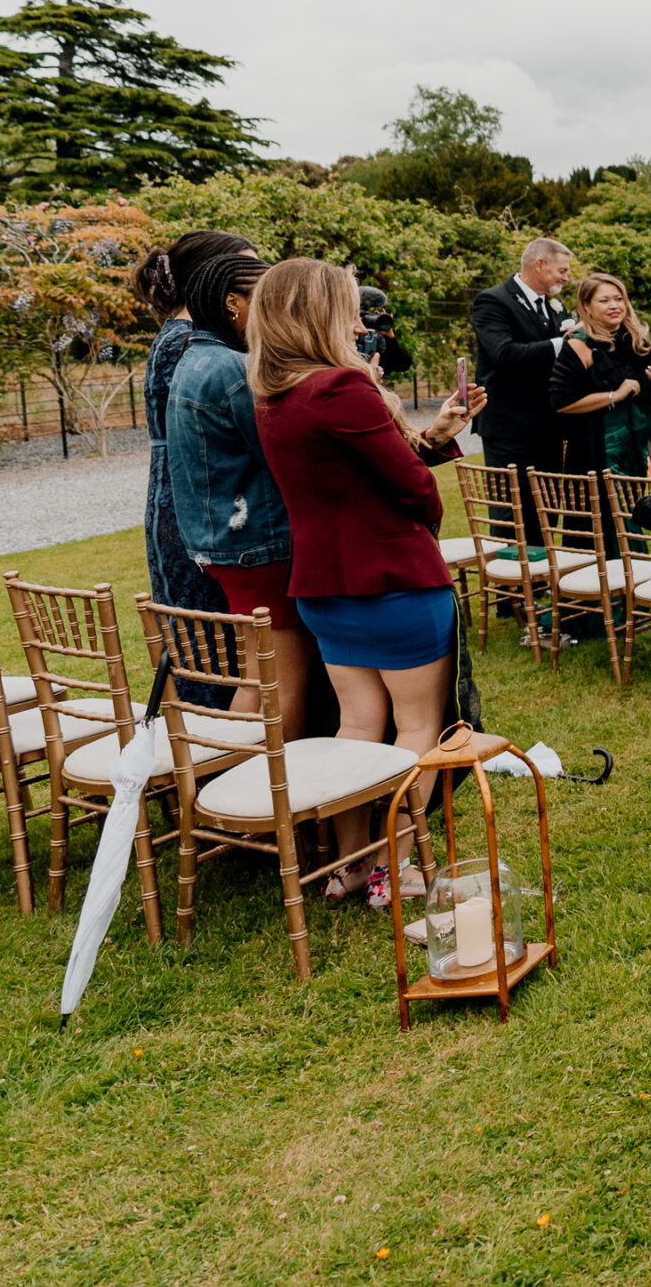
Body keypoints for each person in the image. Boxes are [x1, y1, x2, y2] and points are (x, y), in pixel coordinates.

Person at [250, 259, 480, 907]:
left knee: (356, 723)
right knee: (415, 729)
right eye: (348, 308)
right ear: (317, 313)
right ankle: (391, 868)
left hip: (324, 582)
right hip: (395, 577)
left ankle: (347, 864)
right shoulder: (340, 389)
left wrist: (425, 431)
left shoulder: (272, 396)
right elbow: (411, 486)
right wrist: (382, 405)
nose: (358, 322)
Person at [164, 253, 319, 737]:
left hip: (224, 543)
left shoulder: (195, 357)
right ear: (233, 302)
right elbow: (280, 449)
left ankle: (231, 777)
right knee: (285, 681)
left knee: (257, 673)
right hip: (259, 542)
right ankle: (271, 796)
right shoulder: (233, 368)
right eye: (266, 299)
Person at [132, 230, 258, 635]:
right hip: (196, 497)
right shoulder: (189, 341)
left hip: (186, 489)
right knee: (210, 637)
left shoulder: (181, 335)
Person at [470, 238, 575, 551]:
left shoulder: (554, 305)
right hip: (508, 426)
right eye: (562, 270)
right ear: (539, 264)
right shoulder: (493, 301)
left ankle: (542, 583)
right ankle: (512, 595)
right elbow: (504, 353)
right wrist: (562, 343)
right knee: (511, 511)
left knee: (546, 508)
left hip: (550, 426)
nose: (566, 278)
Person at [548, 271, 651, 483]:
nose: (614, 306)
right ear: (587, 306)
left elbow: (644, 400)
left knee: (632, 510)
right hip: (594, 448)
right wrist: (614, 395)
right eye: (604, 300)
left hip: (633, 446)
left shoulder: (636, 341)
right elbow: (561, 402)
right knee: (602, 514)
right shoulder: (580, 344)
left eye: (619, 299)